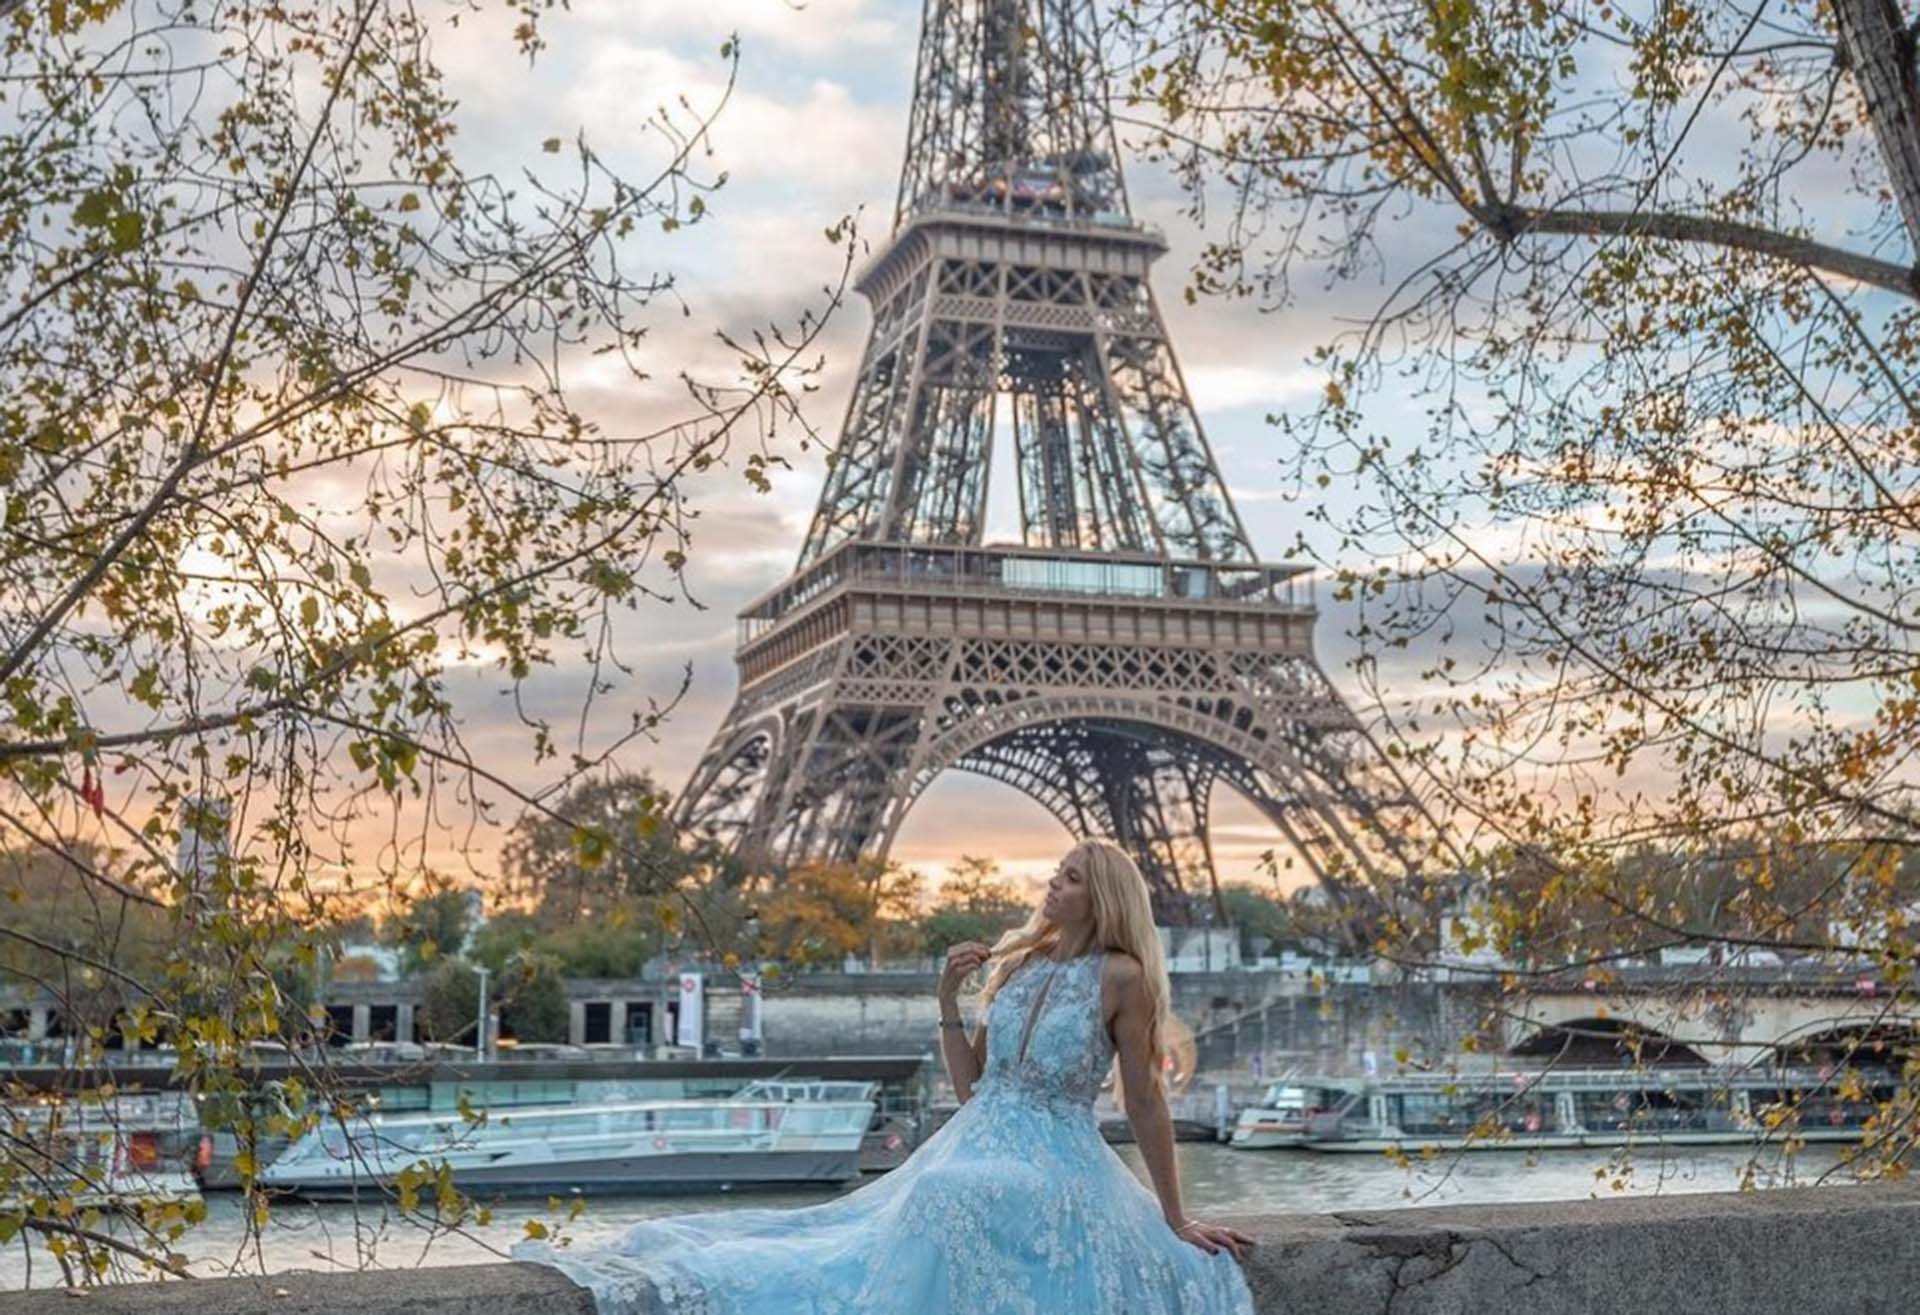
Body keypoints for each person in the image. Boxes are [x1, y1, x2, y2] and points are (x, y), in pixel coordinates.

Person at [513, 837, 1257, 1312]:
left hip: (1057, 1157)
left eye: (1067, 879)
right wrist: (944, 999)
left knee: (941, 1197)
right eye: (1055, 874)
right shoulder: (1021, 964)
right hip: (978, 1135)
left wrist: (1173, 1217)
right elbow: (975, 1087)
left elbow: (1148, 1101)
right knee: (862, 1230)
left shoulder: (1124, 977)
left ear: (1101, 897)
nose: (1050, 887)